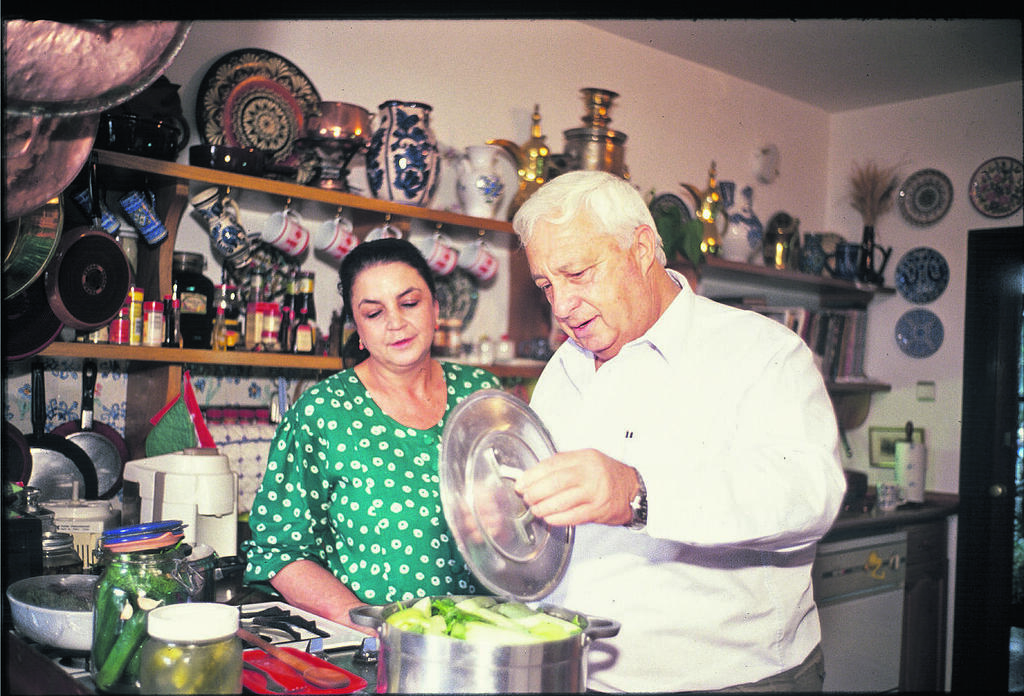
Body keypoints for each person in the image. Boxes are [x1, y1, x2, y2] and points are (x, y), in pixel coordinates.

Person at [511, 170, 846, 692]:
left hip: (730, 681)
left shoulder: (761, 352)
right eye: (546, 285)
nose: (561, 306)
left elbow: (809, 494)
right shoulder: (564, 366)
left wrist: (637, 494)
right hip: (580, 674)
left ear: (642, 249)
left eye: (577, 274)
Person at [244, 238, 501, 629]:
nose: (395, 322)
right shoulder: (322, 412)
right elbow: (279, 553)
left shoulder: (482, 395)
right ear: (358, 329)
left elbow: (528, 516)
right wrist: (368, 626)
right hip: (373, 647)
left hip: (488, 636)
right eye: (374, 312)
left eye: (409, 303)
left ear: (435, 309)